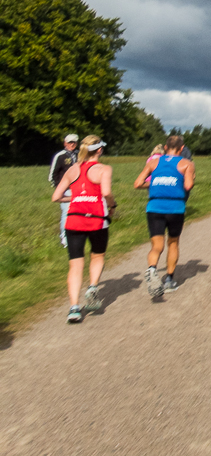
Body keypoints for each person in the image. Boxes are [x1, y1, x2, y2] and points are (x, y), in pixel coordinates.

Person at [51, 135, 114, 323]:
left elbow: (56, 197)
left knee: (75, 264)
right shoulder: (104, 169)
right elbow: (106, 193)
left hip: (73, 220)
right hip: (97, 219)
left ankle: (74, 308)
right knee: (97, 255)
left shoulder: (72, 169)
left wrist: (74, 198)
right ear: (100, 150)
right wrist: (112, 206)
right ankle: (93, 286)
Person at [133, 135, 195, 296]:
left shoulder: (153, 162)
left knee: (156, 246)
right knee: (173, 243)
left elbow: (138, 183)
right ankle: (169, 280)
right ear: (182, 149)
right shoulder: (186, 164)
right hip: (175, 208)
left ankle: (152, 269)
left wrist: (154, 183)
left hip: (154, 207)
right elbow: (188, 185)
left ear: (165, 147)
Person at [49, 133, 79, 248]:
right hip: (66, 190)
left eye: (74, 142)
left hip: (78, 189)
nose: (72, 144)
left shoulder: (79, 154)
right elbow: (53, 174)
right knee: (67, 212)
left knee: (79, 212)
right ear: (65, 143)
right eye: (70, 142)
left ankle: (76, 234)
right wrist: (59, 188)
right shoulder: (60, 156)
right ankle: (65, 237)